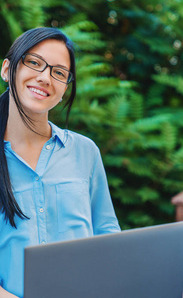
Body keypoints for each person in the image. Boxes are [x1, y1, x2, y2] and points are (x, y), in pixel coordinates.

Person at [0, 27, 120, 298]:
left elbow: (107, 234)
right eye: (33, 62)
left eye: (59, 72)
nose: (45, 78)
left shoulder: (85, 151)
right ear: (7, 70)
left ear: (65, 88)